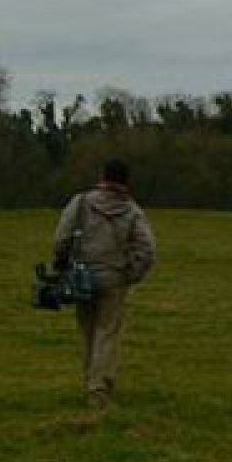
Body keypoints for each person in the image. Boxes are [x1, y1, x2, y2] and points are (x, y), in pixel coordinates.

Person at [50, 158, 156, 414]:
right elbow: (147, 249)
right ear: (126, 181)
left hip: (81, 276)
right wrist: (131, 273)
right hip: (114, 278)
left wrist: (62, 263)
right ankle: (98, 390)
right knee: (106, 334)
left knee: (87, 331)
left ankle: (90, 381)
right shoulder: (132, 211)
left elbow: (61, 237)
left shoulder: (81, 202)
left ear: (103, 177)